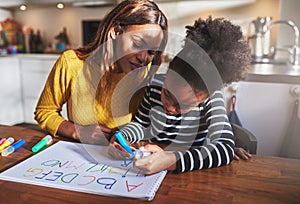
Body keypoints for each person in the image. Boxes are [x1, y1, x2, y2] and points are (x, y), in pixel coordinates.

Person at [108, 16, 251, 174]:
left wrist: (171, 159)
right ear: (169, 69)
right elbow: (141, 124)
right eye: (167, 93)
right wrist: (123, 136)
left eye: (182, 105)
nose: (169, 106)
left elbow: (224, 148)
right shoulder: (155, 86)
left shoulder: (211, 100)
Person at [34, 0, 168, 144]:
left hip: (123, 155)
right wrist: (76, 130)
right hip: (80, 153)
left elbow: (144, 123)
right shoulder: (72, 63)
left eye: (151, 51)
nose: (143, 58)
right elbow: (45, 112)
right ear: (116, 32)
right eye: (137, 44)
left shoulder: (144, 71)